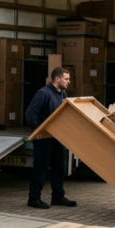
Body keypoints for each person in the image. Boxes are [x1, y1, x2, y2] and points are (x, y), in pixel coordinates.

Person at [25, 67, 77, 209]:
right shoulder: (43, 93)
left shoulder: (62, 94)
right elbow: (30, 113)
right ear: (57, 79)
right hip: (43, 138)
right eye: (66, 79)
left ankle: (58, 197)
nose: (69, 81)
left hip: (56, 136)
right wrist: (37, 131)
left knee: (59, 167)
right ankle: (34, 199)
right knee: (40, 169)